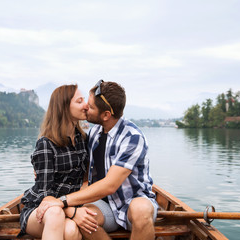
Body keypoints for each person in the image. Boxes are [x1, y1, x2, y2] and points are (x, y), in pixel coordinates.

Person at [36, 80, 158, 240]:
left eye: (91, 106)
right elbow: (73, 158)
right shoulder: (93, 134)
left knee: (141, 210)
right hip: (104, 204)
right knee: (83, 217)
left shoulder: (132, 137)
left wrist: (63, 201)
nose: (86, 106)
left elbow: (110, 185)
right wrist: (41, 165)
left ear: (106, 115)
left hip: (132, 201)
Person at [18, 84, 98, 240]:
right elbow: (46, 196)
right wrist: (72, 211)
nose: (86, 105)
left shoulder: (83, 141)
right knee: (55, 213)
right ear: (64, 108)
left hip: (68, 205)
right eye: (79, 101)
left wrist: (72, 208)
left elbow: (86, 182)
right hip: (40, 208)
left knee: (70, 231)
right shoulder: (46, 144)